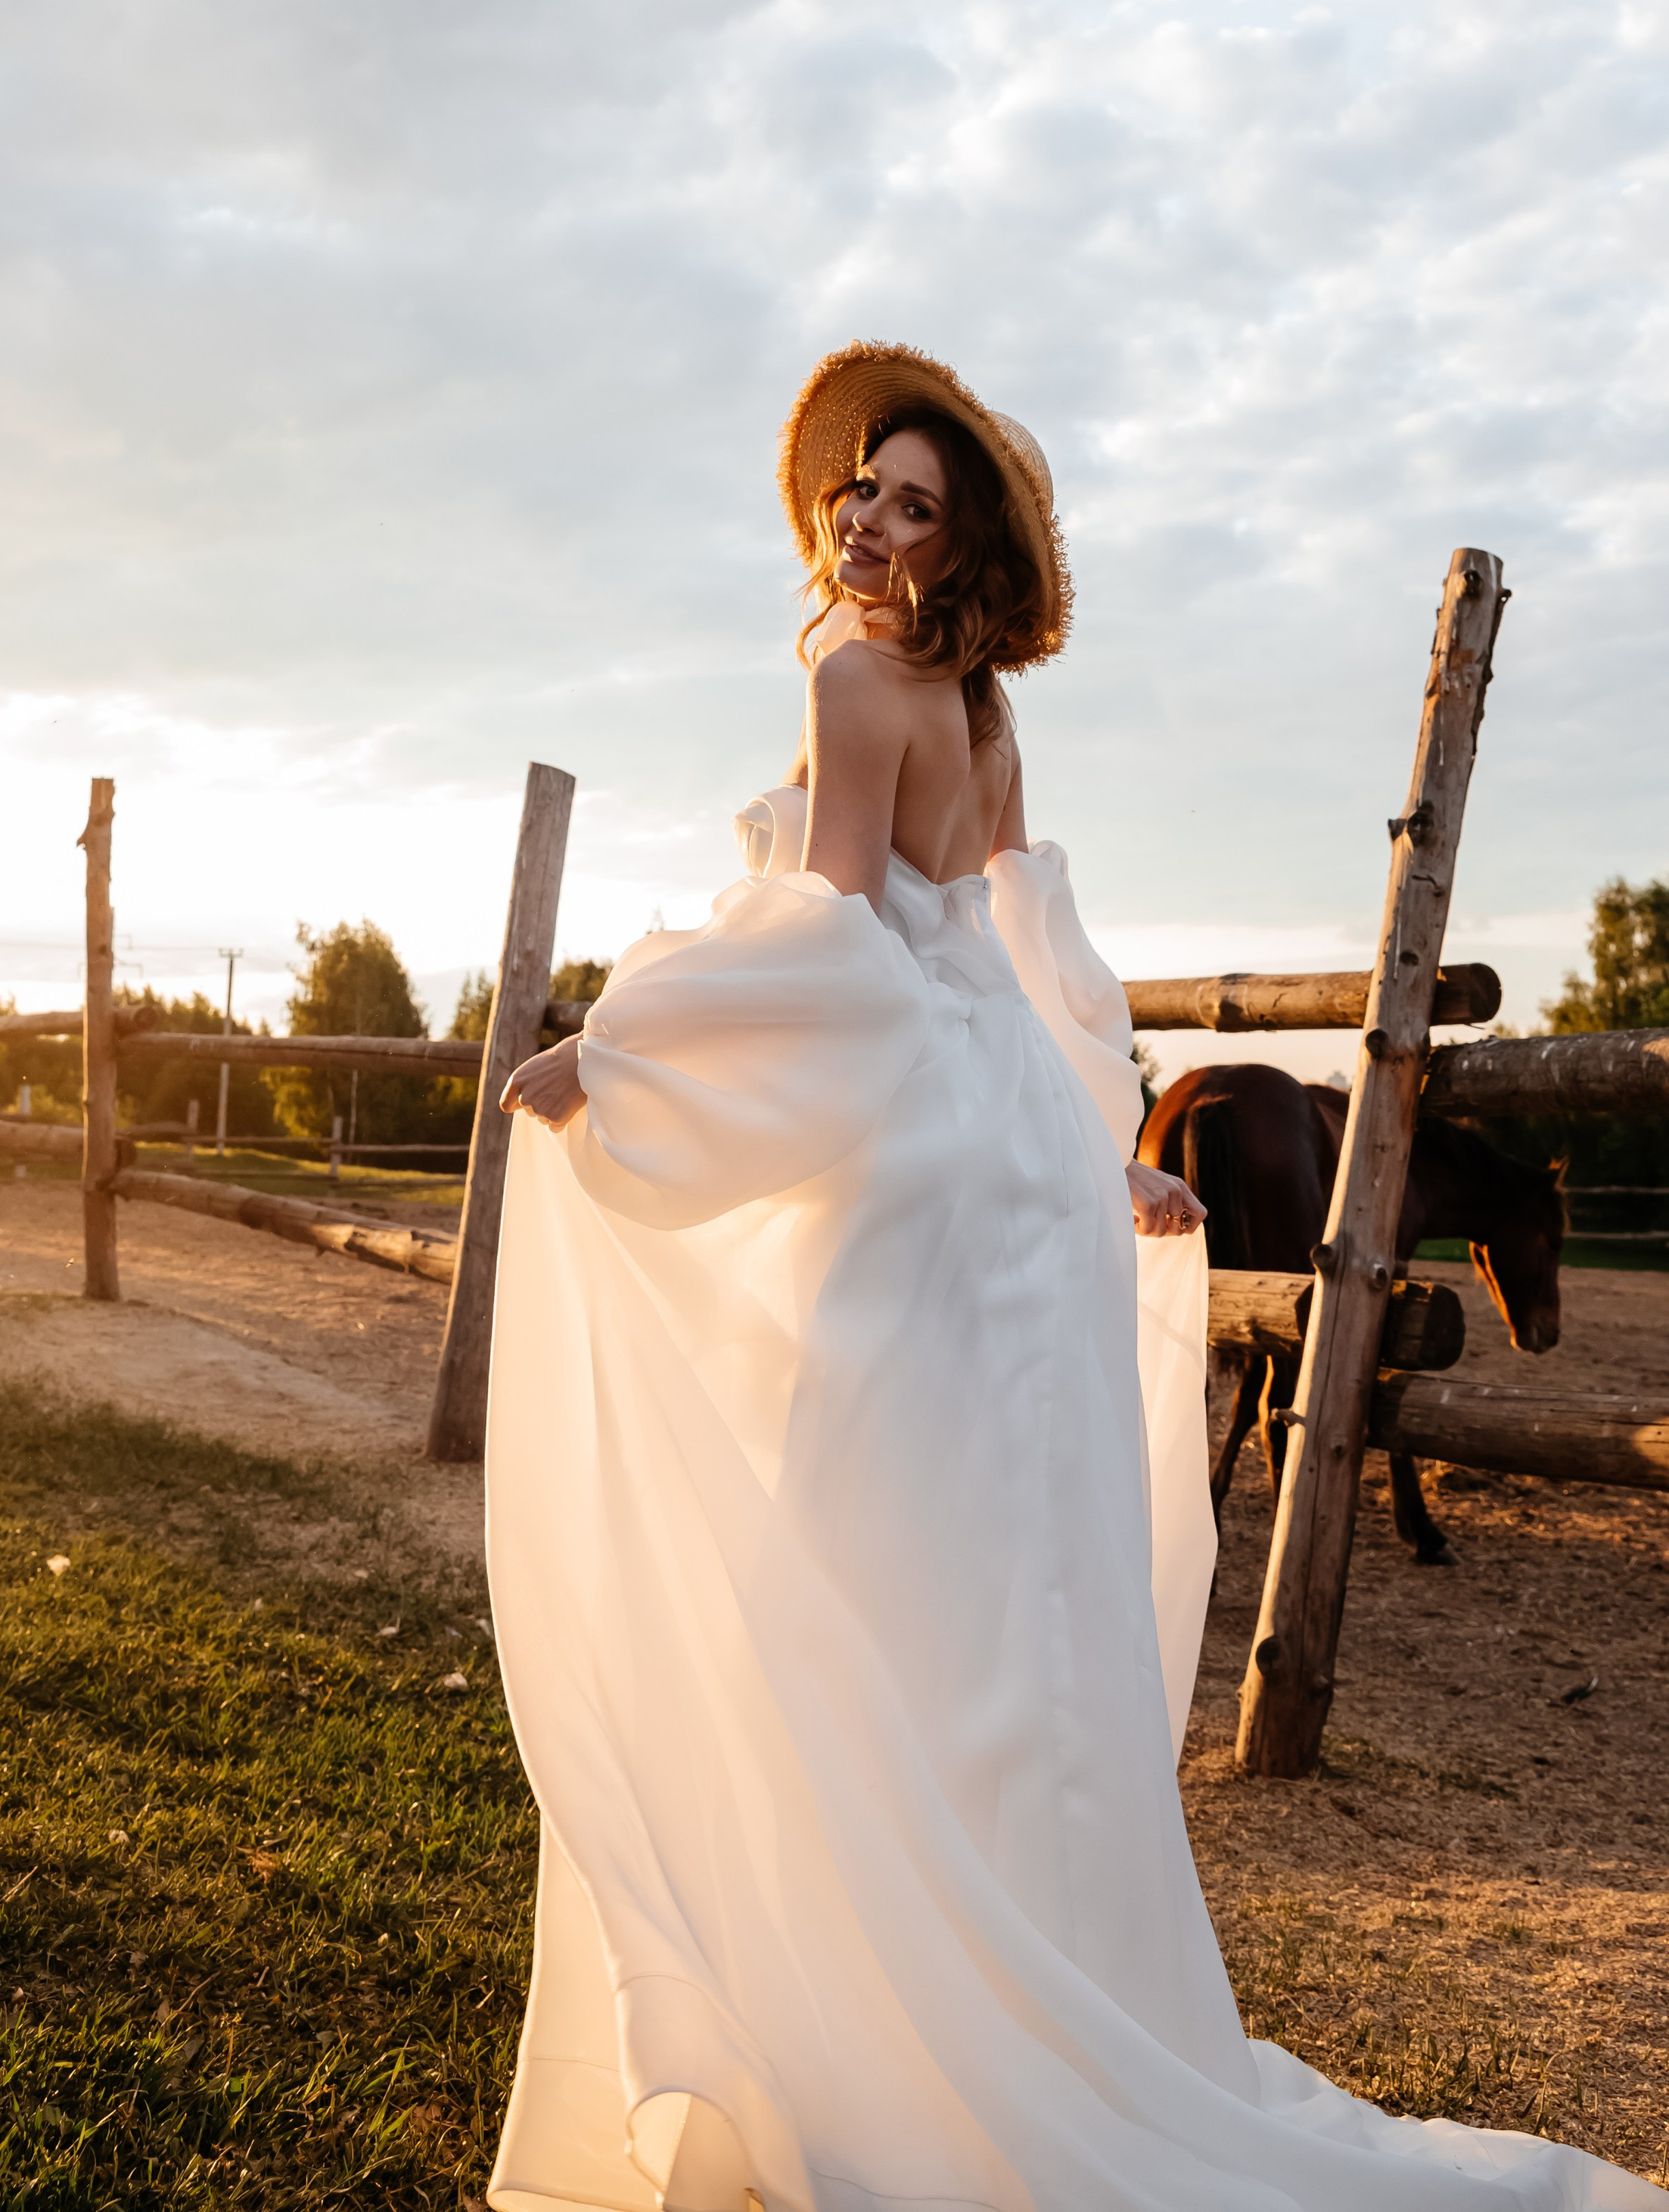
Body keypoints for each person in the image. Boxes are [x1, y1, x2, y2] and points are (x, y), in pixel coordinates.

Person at [482, 341, 1654, 2212]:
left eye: (911, 505)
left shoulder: (852, 675)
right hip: (1006, 1160)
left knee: (853, 1569)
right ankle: (1008, 1994)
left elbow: (833, 936)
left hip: (922, 1166)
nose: (867, 520)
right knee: (993, 1582)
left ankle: (888, 2042)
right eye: (860, 488)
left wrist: (623, 1060)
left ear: (962, 555)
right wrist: (1090, 1140)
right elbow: (1022, 948)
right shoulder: (986, 713)